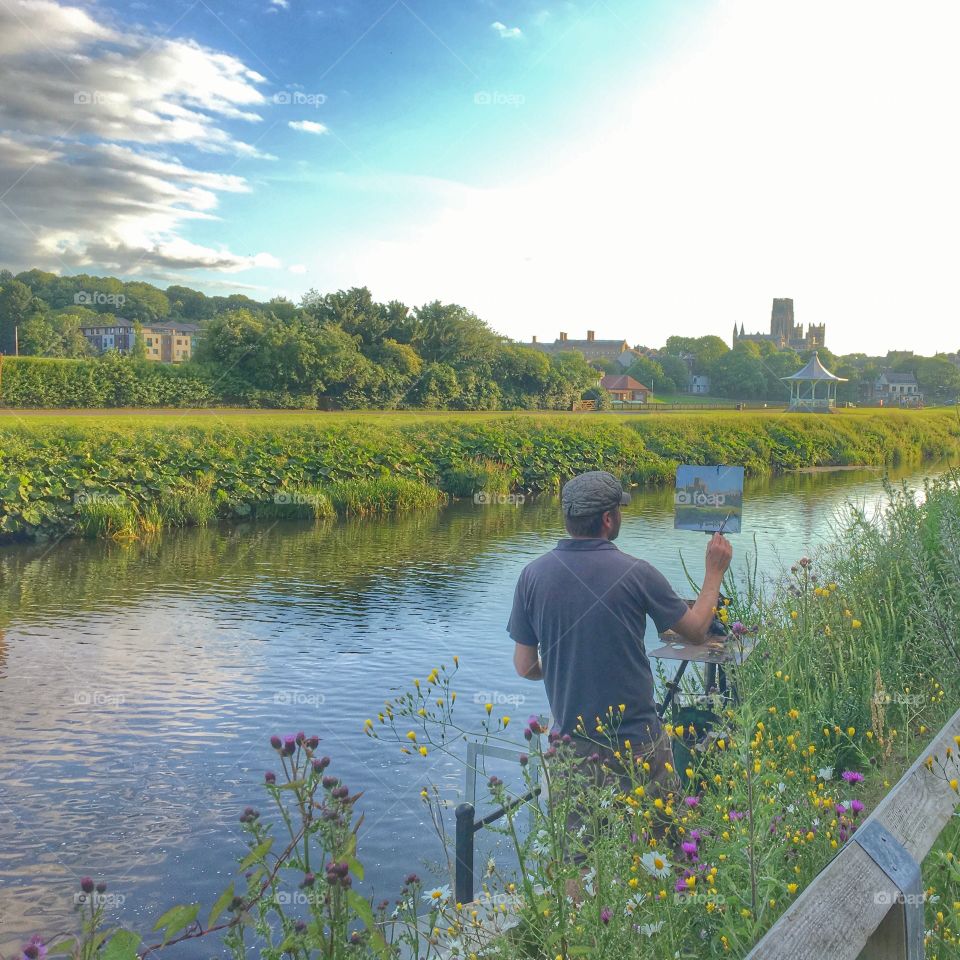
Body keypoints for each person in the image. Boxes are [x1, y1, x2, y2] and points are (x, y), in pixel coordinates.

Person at [506, 470, 733, 855]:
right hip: (638, 743)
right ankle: (671, 909)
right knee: (671, 847)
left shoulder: (532, 576)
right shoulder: (637, 573)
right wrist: (714, 573)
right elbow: (696, 630)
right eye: (619, 510)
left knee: (579, 857)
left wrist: (569, 660)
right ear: (608, 519)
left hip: (570, 748)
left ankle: (583, 915)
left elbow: (526, 665)